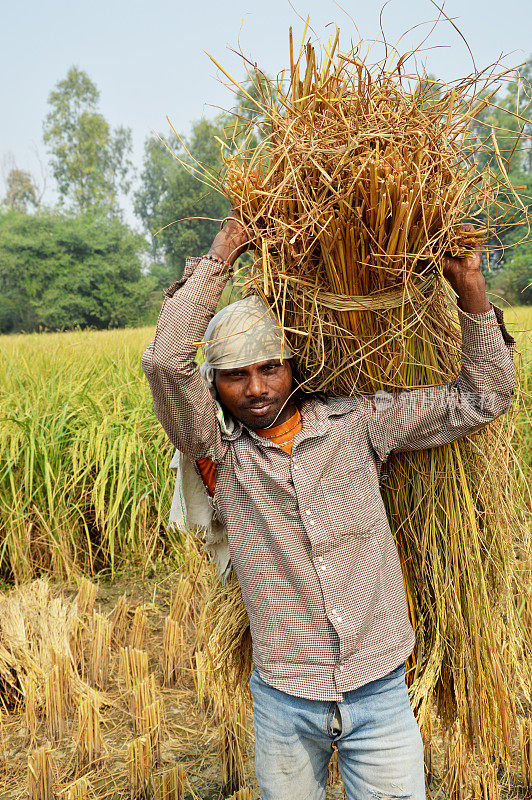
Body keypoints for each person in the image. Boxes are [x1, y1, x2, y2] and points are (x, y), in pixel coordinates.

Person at [142, 212, 515, 800]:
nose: (257, 388)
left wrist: (470, 289)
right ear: (214, 386)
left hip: (381, 691)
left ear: (295, 367)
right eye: (236, 376)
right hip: (286, 701)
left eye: (269, 368)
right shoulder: (219, 453)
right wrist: (221, 255)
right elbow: (165, 362)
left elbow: (485, 395)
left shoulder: (358, 424)